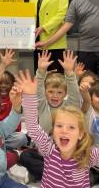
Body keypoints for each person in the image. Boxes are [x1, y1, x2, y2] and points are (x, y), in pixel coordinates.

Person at [16, 69, 99, 187]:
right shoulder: (49, 148)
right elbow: (33, 128)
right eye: (59, 126)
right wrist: (29, 95)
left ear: (80, 134)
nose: (64, 130)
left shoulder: (87, 156)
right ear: (53, 131)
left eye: (71, 127)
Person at [20, 50, 80, 181]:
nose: (55, 95)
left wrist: (70, 73)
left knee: (79, 158)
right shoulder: (42, 105)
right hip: (44, 152)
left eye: (59, 92)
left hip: (64, 153)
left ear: (65, 94)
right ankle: (55, 175)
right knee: (25, 157)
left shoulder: (68, 107)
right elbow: (38, 91)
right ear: (46, 92)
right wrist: (41, 71)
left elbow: (76, 98)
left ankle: (50, 174)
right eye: (51, 91)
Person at [31, 0, 69, 73]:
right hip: (38, 43)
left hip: (56, 43)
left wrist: (44, 27)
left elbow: (61, 14)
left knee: (56, 84)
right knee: (40, 81)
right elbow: (31, 16)